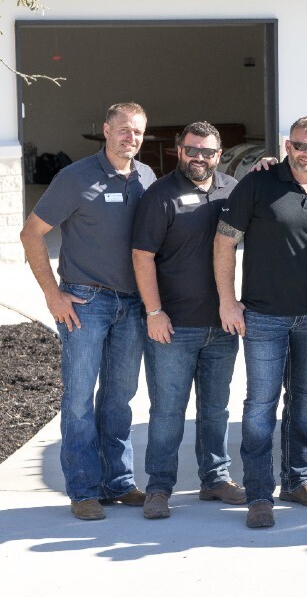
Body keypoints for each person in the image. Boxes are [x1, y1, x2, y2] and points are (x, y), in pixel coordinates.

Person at [215, 116, 307, 529]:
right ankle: (259, 494)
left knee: (304, 401)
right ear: (287, 146)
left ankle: (299, 481)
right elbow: (224, 241)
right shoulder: (258, 184)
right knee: (260, 405)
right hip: (262, 317)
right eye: (299, 145)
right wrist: (228, 301)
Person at [19, 103, 156, 521]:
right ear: (106, 131)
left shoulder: (147, 177)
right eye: (123, 130)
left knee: (119, 397)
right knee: (78, 399)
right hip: (85, 303)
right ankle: (83, 489)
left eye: (137, 132)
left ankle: (118, 482)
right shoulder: (75, 177)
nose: (130, 138)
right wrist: (52, 295)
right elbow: (31, 234)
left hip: (132, 305)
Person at [131, 122, 244, 519]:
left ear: (219, 154)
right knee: (167, 410)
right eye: (192, 150)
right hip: (173, 327)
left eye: (208, 152)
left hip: (222, 325)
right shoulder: (160, 195)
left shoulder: (232, 189)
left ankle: (215, 478)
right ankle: (159, 487)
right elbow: (142, 256)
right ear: (179, 151)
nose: (199, 158)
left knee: (216, 409)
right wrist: (154, 312)